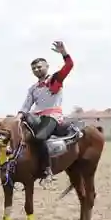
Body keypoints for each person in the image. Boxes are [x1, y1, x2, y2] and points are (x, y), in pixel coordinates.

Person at [18, 40, 74, 180]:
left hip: (52, 116)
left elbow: (69, 66)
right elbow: (26, 106)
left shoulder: (55, 79)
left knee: (40, 137)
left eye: (39, 67)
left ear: (47, 66)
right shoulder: (33, 88)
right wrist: (18, 117)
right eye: (34, 68)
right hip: (36, 117)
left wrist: (64, 53)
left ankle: (47, 168)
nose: (37, 70)